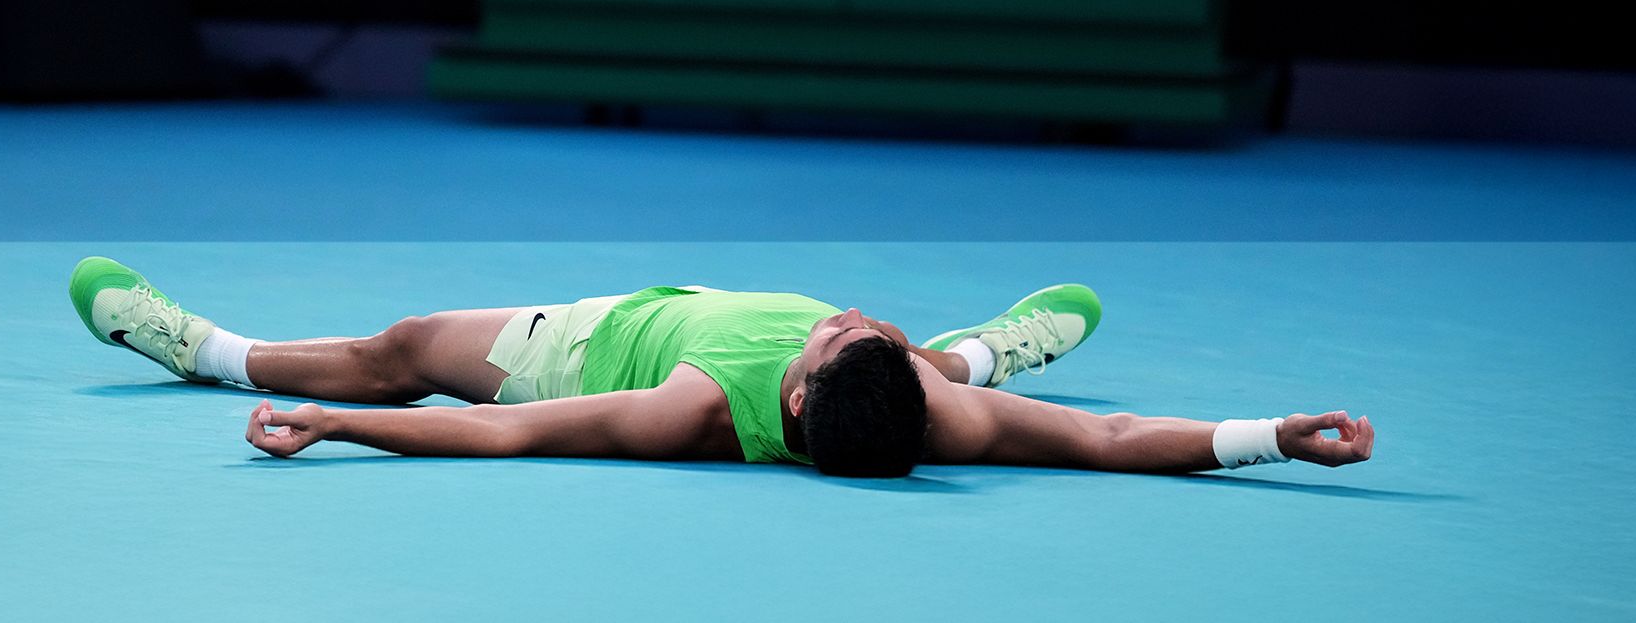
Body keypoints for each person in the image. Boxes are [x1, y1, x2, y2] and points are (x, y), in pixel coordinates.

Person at [71, 257, 1375, 477]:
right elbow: (1104, 439)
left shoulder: (691, 406)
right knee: (960, 361)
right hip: (775, 334)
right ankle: (992, 340)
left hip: (589, 341)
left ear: (797, 396)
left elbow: (513, 438)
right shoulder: (926, 410)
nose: (849, 314)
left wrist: (345, 426)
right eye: (861, 329)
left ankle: (215, 354)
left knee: (405, 353)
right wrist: (1270, 431)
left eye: (839, 338)